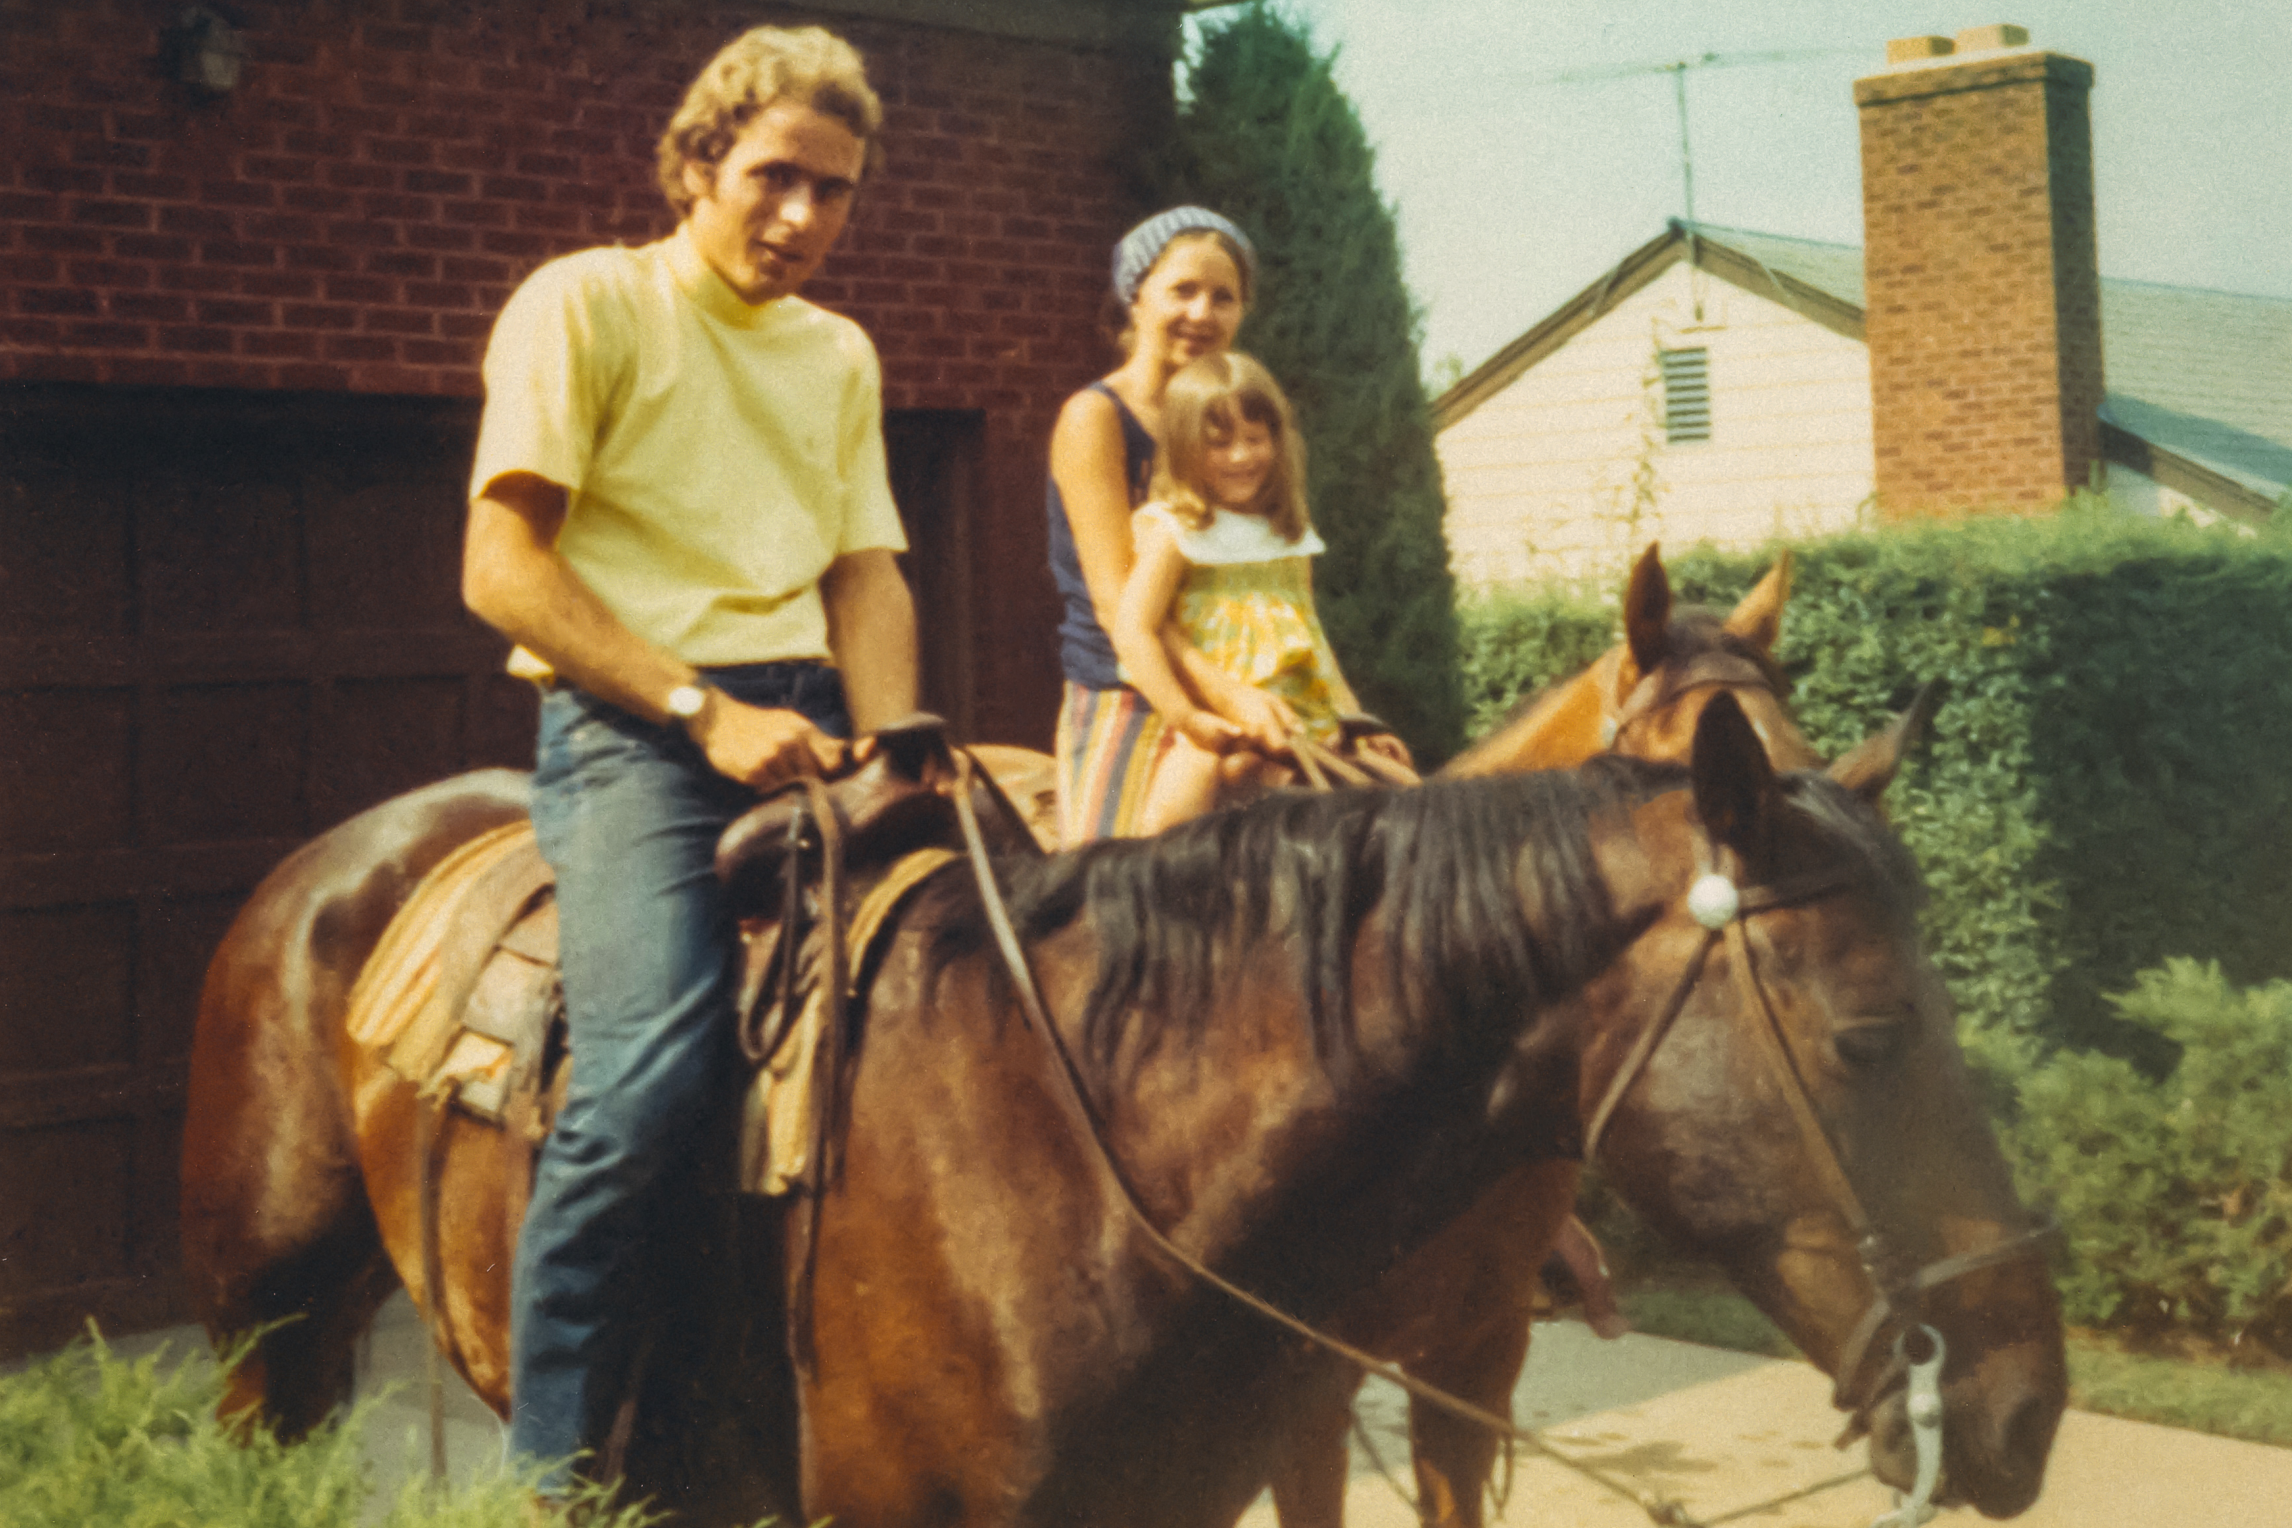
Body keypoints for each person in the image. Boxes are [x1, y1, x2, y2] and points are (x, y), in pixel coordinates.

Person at [457, 25, 916, 1492]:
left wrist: (897, 747)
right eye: (774, 177)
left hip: (807, 730)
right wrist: (698, 711)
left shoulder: (839, 351)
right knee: (648, 1079)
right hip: (632, 736)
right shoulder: (587, 303)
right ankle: (550, 1480)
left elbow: (867, 578)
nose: (800, 219)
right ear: (698, 160)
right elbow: (501, 570)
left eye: (833, 192)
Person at [1045, 206, 1292, 846]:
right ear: (1135, 296)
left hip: (1239, 689)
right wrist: (1226, 696)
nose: (1202, 313)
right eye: (1182, 290)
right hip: (1125, 687)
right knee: (1108, 902)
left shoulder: (1231, 434)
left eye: (1223, 297)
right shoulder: (1096, 418)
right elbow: (1116, 601)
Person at [1109, 352, 1409, 832]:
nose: (1241, 457)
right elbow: (1134, 628)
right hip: (1222, 728)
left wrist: (1357, 719)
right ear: (1185, 448)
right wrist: (1185, 716)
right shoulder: (1175, 530)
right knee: (1173, 825)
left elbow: (1312, 636)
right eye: (1219, 443)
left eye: (1255, 438)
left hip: (1306, 724)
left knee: (1406, 790)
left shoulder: (1287, 533)